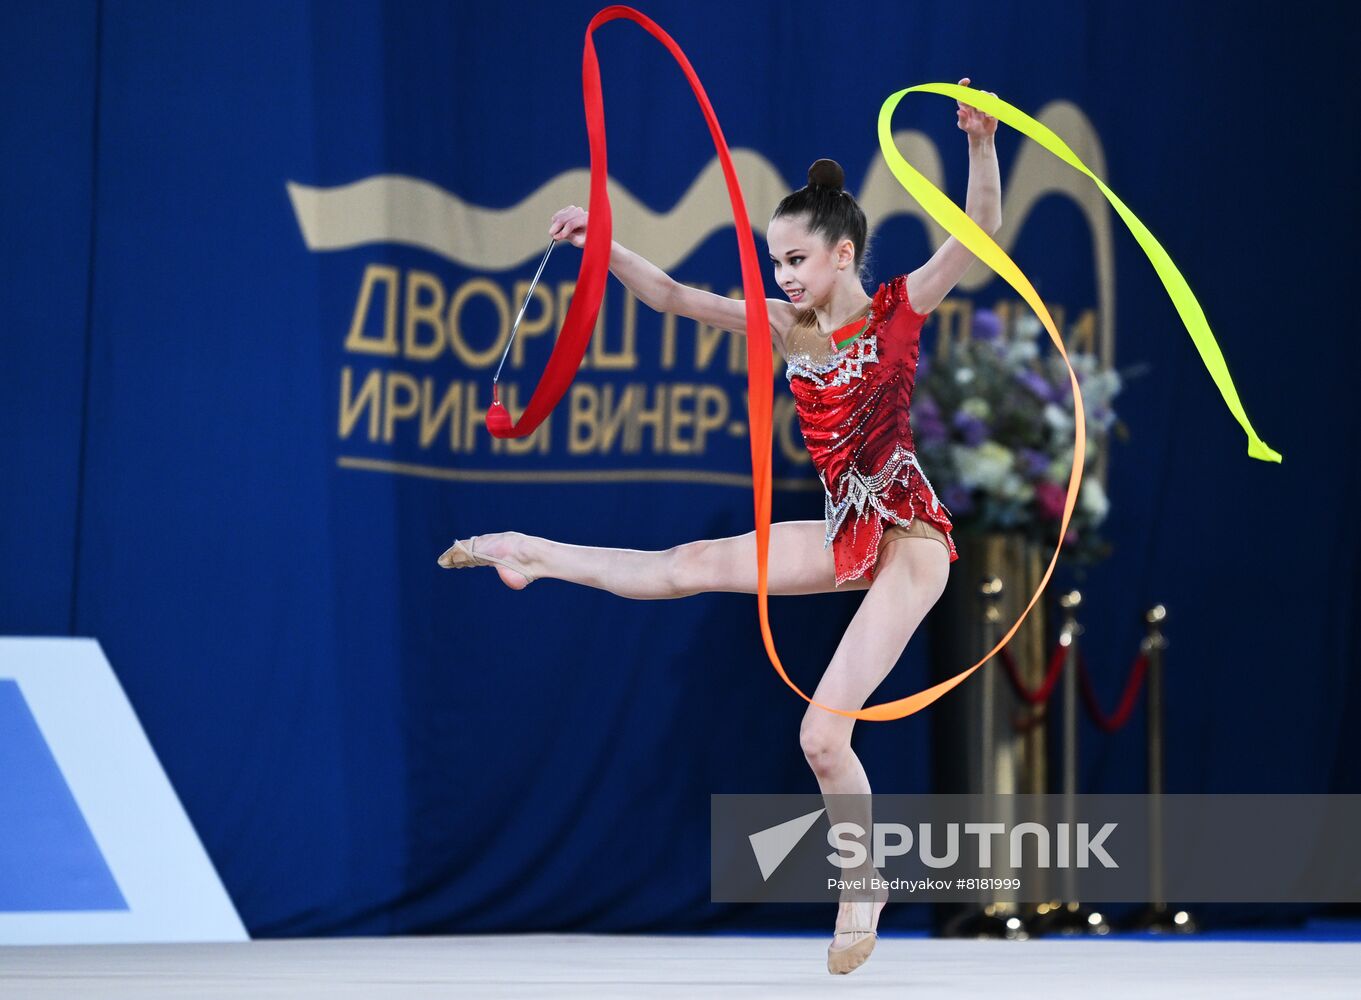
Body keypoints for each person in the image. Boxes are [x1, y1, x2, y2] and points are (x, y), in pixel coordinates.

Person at [439, 78, 1001, 974]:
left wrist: (978, 143)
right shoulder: (783, 328)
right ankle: (531, 554)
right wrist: (601, 245)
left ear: (844, 254)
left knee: (823, 736)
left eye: (793, 263)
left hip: (909, 538)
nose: (780, 279)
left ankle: (865, 882)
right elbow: (667, 296)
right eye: (772, 263)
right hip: (843, 525)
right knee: (688, 562)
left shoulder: (900, 307)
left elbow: (978, 235)